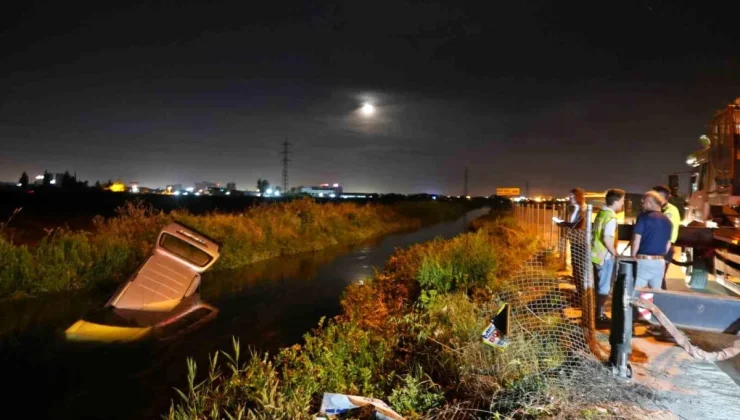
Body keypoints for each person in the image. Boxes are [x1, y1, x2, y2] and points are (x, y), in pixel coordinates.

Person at [591, 188, 625, 326]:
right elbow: (607, 238)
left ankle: (596, 312)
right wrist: (615, 253)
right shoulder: (611, 217)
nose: (623, 204)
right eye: (622, 201)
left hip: (595, 255)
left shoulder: (601, 213)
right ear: (616, 202)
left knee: (598, 285)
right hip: (604, 257)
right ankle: (599, 316)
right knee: (604, 288)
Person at [632, 191, 673, 290]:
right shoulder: (668, 221)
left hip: (644, 261)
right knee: (655, 292)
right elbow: (668, 244)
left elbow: (636, 240)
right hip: (659, 262)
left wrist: (633, 256)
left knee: (635, 291)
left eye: (643, 201)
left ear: (650, 202)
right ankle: (651, 305)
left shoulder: (643, 218)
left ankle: (638, 305)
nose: (642, 204)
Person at [558, 188, 587, 295]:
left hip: (580, 243)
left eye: (572, 197)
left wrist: (564, 224)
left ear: (579, 196)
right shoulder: (577, 208)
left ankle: (583, 295)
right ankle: (580, 292)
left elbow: (579, 225)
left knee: (579, 269)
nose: (571, 199)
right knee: (576, 268)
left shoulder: (583, 209)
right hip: (575, 242)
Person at [652, 185, 681, 289]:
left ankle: (660, 301)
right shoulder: (660, 209)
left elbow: (666, 230)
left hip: (664, 248)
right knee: (655, 278)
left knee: (658, 278)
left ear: (660, 197)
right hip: (659, 247)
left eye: (653, 196)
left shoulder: (670, 210)